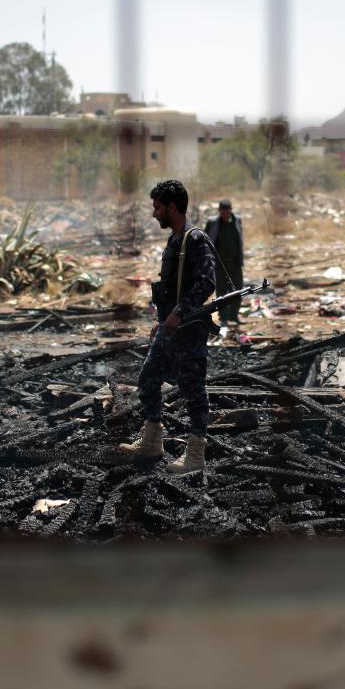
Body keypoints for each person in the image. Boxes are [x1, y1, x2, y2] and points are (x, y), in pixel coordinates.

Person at [118, 179, 215, 474]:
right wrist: (163, 320)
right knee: (148, 377)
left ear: (172, 207)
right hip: (169, 327)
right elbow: (173, 288)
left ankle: (195, 454)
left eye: (157, 207)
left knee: (192, 388)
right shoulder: (175, 241)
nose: (154, 213)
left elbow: (207, 282)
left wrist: (179, 313)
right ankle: (152, 440)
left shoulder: (195, 239)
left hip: (190, 329)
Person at [204, 199, 244, 331]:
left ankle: (234, 316)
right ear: (219, 211)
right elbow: (206, 240)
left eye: (227, 211)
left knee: (238, 289)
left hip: (235, 263)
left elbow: (239, 240)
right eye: (222, 211)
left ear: (230, 210)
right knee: (222, 291)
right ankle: (224, 317)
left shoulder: (237, 221)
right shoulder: (213, 223)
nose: (225, 213)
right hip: (219, 264)